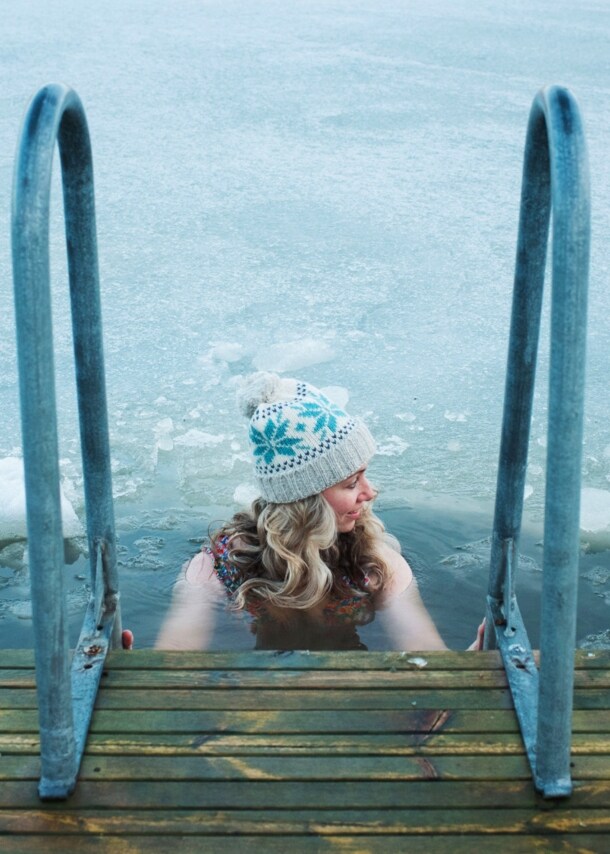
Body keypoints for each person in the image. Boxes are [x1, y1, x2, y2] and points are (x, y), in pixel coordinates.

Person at [155, 372, 484, 652]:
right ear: (305, 501)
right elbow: (172, 661)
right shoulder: (222, 566)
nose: (370, 493)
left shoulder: (373, 563)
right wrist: (132, 671)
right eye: (351, 483)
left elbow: (426, 654)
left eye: (364, 476)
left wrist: (470, 664)